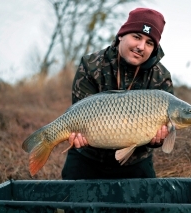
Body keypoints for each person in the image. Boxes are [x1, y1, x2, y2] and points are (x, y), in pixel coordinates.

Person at [62, 7, 174, 180]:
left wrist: (159, 139)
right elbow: (80, 112)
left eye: (149, 43)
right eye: (136, 37)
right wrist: (77, 136)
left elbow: (163, 136)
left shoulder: (161, 77)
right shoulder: (91, 65)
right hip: (88, 157)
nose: (141, 46)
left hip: (135, 162)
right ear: (121, 35)